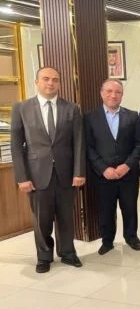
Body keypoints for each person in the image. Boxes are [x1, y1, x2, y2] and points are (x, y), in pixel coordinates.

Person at [10, 67, 86, 273]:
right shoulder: (21, 108)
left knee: (66, 217)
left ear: (60, 83)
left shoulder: (72, 109)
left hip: (66, 174)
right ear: (36, 82)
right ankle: (44, 257)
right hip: (36, 175)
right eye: (46, 79)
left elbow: (79, 142)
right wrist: (22, 177)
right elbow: (16, 146)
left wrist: (79, 172)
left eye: (55, 80)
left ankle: (68, 253)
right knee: (41, 219)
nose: (50, 83)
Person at [84, 79, 140, 255]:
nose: (113, 95)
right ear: (101, 93)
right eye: (109, 91)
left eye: (118, 92)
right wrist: (103, 169)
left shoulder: (133, 116)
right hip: (103, 175)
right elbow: (88, 146)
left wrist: (127, 165)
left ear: (122, 95)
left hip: (128, 174)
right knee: (106, 210)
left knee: (130, 208)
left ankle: (131, 237)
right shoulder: (90, 117)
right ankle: (107, 241)